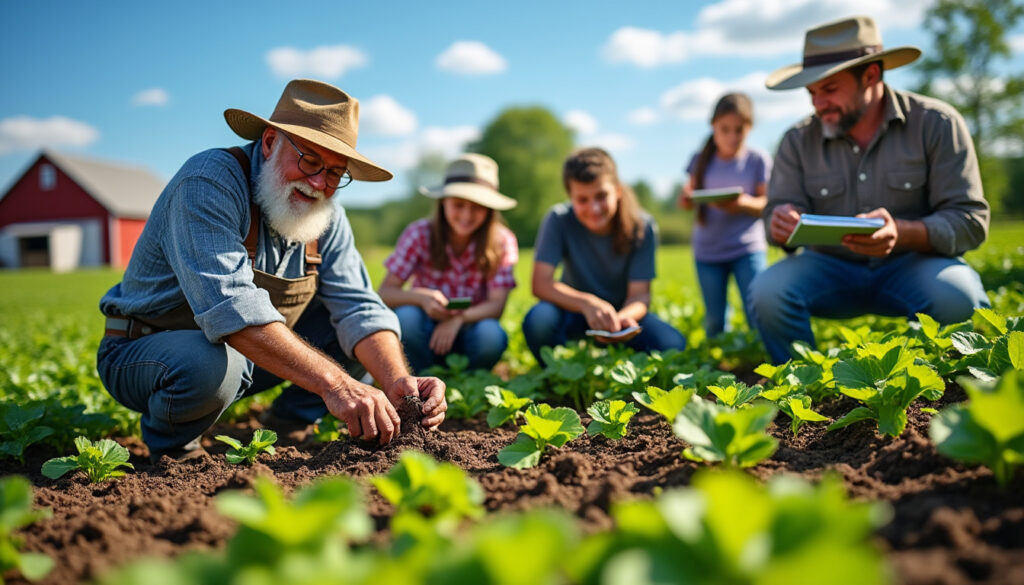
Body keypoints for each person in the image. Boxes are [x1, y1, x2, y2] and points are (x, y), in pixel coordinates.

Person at [97, 79, 447, 462]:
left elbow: (359, 307)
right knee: (210, 365)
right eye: (310, 160)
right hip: (149, 352)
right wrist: (337, 386)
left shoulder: (326, 214)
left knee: (355, 338)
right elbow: (232, 309)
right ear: (269, 143)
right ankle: (174, 450)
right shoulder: (209, 182)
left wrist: (398, 381)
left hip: (248, 358)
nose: (319, 183)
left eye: (334, 173)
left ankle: (286, 423)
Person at [750, 16, 990, 364]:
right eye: (812, 93)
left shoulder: (937, 124)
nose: (818, 104)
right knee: (768, 291)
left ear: (872, 76)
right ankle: (799, 383)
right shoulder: (797, 140)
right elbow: (776, 214)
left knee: (960, 295)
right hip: (828, 267)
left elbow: (970, 221)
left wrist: (904, 233)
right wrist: (780, 224)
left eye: (829, 89)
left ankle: (944, 384)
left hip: (912, 264)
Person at [522, 147, 687, 365]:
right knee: (539, 320)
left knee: (671, 344)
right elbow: (541, 284)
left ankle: (619, 358)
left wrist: (622, 319)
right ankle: (557, 373)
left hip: (623, 316)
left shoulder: (641, 226)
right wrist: (587, 303)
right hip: (574, 311)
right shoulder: (558, 219)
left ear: (618, 191)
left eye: (601, 196)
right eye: (582, 199)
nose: (594, 208)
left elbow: (640, 295)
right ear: (570, 197)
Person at [378, 153, 518, 373]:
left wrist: (458, 318)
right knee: (406, 318)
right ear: (443, 203)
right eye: (458, 205)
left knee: (490, 335)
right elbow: (385, 292)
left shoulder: (502, 240)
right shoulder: (419, 233)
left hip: (473, 326)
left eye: (477, 207)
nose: (466, 214)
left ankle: (472, 378)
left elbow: (496, 305)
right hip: (426, 329)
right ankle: (422, 376)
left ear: (490, 210)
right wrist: (421, 298)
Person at [678, 93, 771, 338]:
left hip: (747, 248)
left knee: (757, 311)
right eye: (725, 129)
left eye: (739, 130)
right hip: (708, 251)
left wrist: (743, 203)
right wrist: (688, 199)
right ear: (713, 127)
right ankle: (718, 365)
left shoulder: (757, 160)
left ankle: (761, 360)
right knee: (714, 318)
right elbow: (688, 199)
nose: (732, 137)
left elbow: (767, 203)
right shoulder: (700, 160)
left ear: (750, 128)